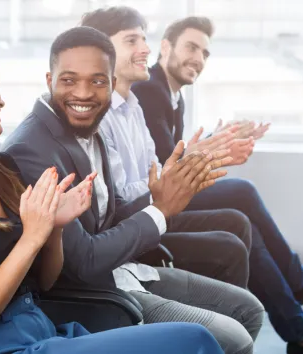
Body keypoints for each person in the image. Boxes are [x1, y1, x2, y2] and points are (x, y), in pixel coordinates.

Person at [0, 44, 224, 354]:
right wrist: (32, 236)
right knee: (195, 340)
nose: (1, 99)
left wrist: (54, 230)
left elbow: (44, 282)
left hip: (41, 330)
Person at [3, 26, 264, 354]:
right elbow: (80, 262)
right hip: (87, 296)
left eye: (97, 81)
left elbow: (108, 215)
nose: (83, 93)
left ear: (112, 84)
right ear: (49, 80)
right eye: (69, 80)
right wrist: (160, 210)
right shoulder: (31, 150)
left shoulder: (89, 128)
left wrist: (165, 187)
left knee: (249, 310)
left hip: (123, 271)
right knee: (233, 339)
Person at [131, 16, 303, 354]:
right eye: (191, 47)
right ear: (165, 47)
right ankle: (300, 290)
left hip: (163, 192)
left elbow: (175, 157)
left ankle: (301, 330)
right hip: (152, 201)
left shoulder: (172, 95)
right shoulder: (151, 89)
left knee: (245, 220)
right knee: (243, 193)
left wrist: (219, 141)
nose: (198, 58)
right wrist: (220, 146)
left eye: (205, 53)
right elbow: (170, 168)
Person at [83, 6, 262, 289]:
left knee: (236, 222)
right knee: (230, 242)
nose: (145, 49)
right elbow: (121, 200)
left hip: (150, 208)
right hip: (131, 225)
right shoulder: (100, 115)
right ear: (100, 51)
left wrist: (180, 167)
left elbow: (154, 168)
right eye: (132, 41)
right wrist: (178, 170)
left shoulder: (133, 106)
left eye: (144, 39)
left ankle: (233, 315)